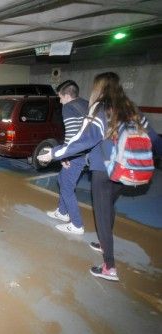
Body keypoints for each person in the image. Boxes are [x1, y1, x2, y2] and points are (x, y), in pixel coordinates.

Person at [37, 72, 161, 281]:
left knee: (102, 215)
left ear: (99, 88)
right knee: (109, 206)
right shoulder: (131, 108)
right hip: (128, 168)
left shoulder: (100, 108)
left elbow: (85, 138)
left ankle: (109, 267)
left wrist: (55, 153)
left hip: (104, 168)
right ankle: (104, 243)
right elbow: (155, 140)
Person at [46, 80, 89, 235]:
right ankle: (62, 212)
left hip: (76, 154)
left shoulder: (69, 108)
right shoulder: (86, 104)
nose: (60, 100)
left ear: (67, 95)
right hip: (86, 151)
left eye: (60, 97)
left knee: (67, 187)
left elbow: (71, 135)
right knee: (62, 180)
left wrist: (65, 156)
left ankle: (77, 225)